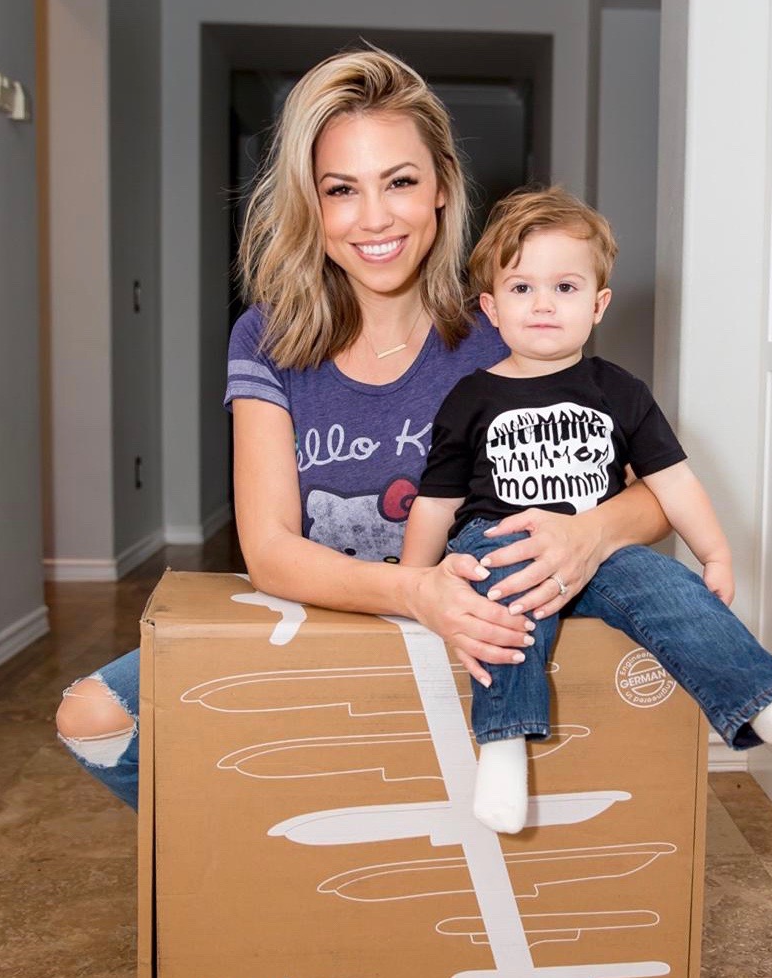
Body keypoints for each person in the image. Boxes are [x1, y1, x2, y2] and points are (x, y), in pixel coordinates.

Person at [54, 49, 671, 809]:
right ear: (311, 204)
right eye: (341, 190)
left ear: (441, 187)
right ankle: (236, 857)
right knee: (93, 713)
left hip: (482, 626)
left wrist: (587, 537)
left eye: (400, 182)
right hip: (328, 610)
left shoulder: (506, 329)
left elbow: (655, 498)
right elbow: (271, 549)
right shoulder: (267, 336)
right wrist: (416, 592)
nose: (373, 218)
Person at [401, 187, 772, 835]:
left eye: (565, 287)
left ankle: (763, 700)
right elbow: (437, 501)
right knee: (502, 594)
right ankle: (501, 746)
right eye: (522, 289)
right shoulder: (472, 395)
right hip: (499, 539)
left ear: (598, 303)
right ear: (492, 309)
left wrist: (714, 552)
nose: (545, 304)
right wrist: (414, 583)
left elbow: (672, 481)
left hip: (598, 552)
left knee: (664, 580)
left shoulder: (620, 391)